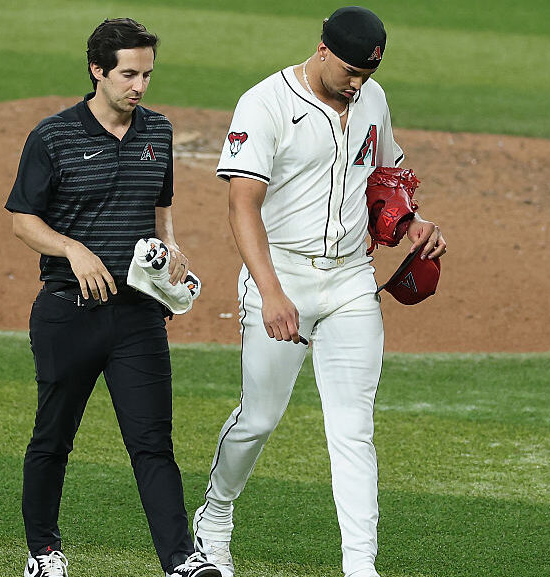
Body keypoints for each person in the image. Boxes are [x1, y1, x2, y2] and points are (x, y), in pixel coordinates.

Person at [192, 6, 447, 577]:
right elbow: (242, 205)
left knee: (353, 428)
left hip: (351, 282)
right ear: (324, 49)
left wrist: (415, 225)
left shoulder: (372, 101)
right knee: (259, 417)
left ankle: (361, 566)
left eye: (368, 74)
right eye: (351, 71)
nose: (358, 84)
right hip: (280, 275)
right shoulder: (266, 104)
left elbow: (386, 185)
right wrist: (271, 291)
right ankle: (215, 516)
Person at [5, 18, 219, 577]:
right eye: (129, 73)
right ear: (97, 70)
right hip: (67, 312)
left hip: (138, 315)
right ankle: (43, 555)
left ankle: (180, 561)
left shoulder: (159, 131)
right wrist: (73, 250)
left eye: (147, 74)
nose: (140, 86)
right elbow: (23, 220)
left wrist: (171, 244)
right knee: (53, 439)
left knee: (153, 443)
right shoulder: (53, 136)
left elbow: (161, 203)